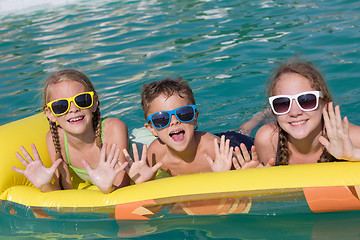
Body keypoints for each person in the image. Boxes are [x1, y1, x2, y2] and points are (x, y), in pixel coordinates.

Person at [123, 78, 261, 184]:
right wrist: (143, 183)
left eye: (183, 113)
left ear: (195, 117)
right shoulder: (155, 154)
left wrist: (229, 175)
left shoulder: (214, 148)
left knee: (242, 133)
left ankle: (255, 120)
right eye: (162, 119)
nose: (174, 121)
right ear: (152, 128)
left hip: (232, 143)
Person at [12, 69, 129, 193]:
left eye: (82, 100)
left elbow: (124, 190)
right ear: (50, 113)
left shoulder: (113, 130)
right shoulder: (56, 139)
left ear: (94, 103)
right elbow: (63, 194)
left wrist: (109, 189)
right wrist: (44, 186)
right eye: (61, 106)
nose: (73, 109)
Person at [254, 60, 360, 166]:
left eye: (306, 100)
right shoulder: (267, 140)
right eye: (282, 103)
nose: (294, 112)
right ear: (273, 109)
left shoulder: (350, 138)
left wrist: (354, 155)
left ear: (325, 103)